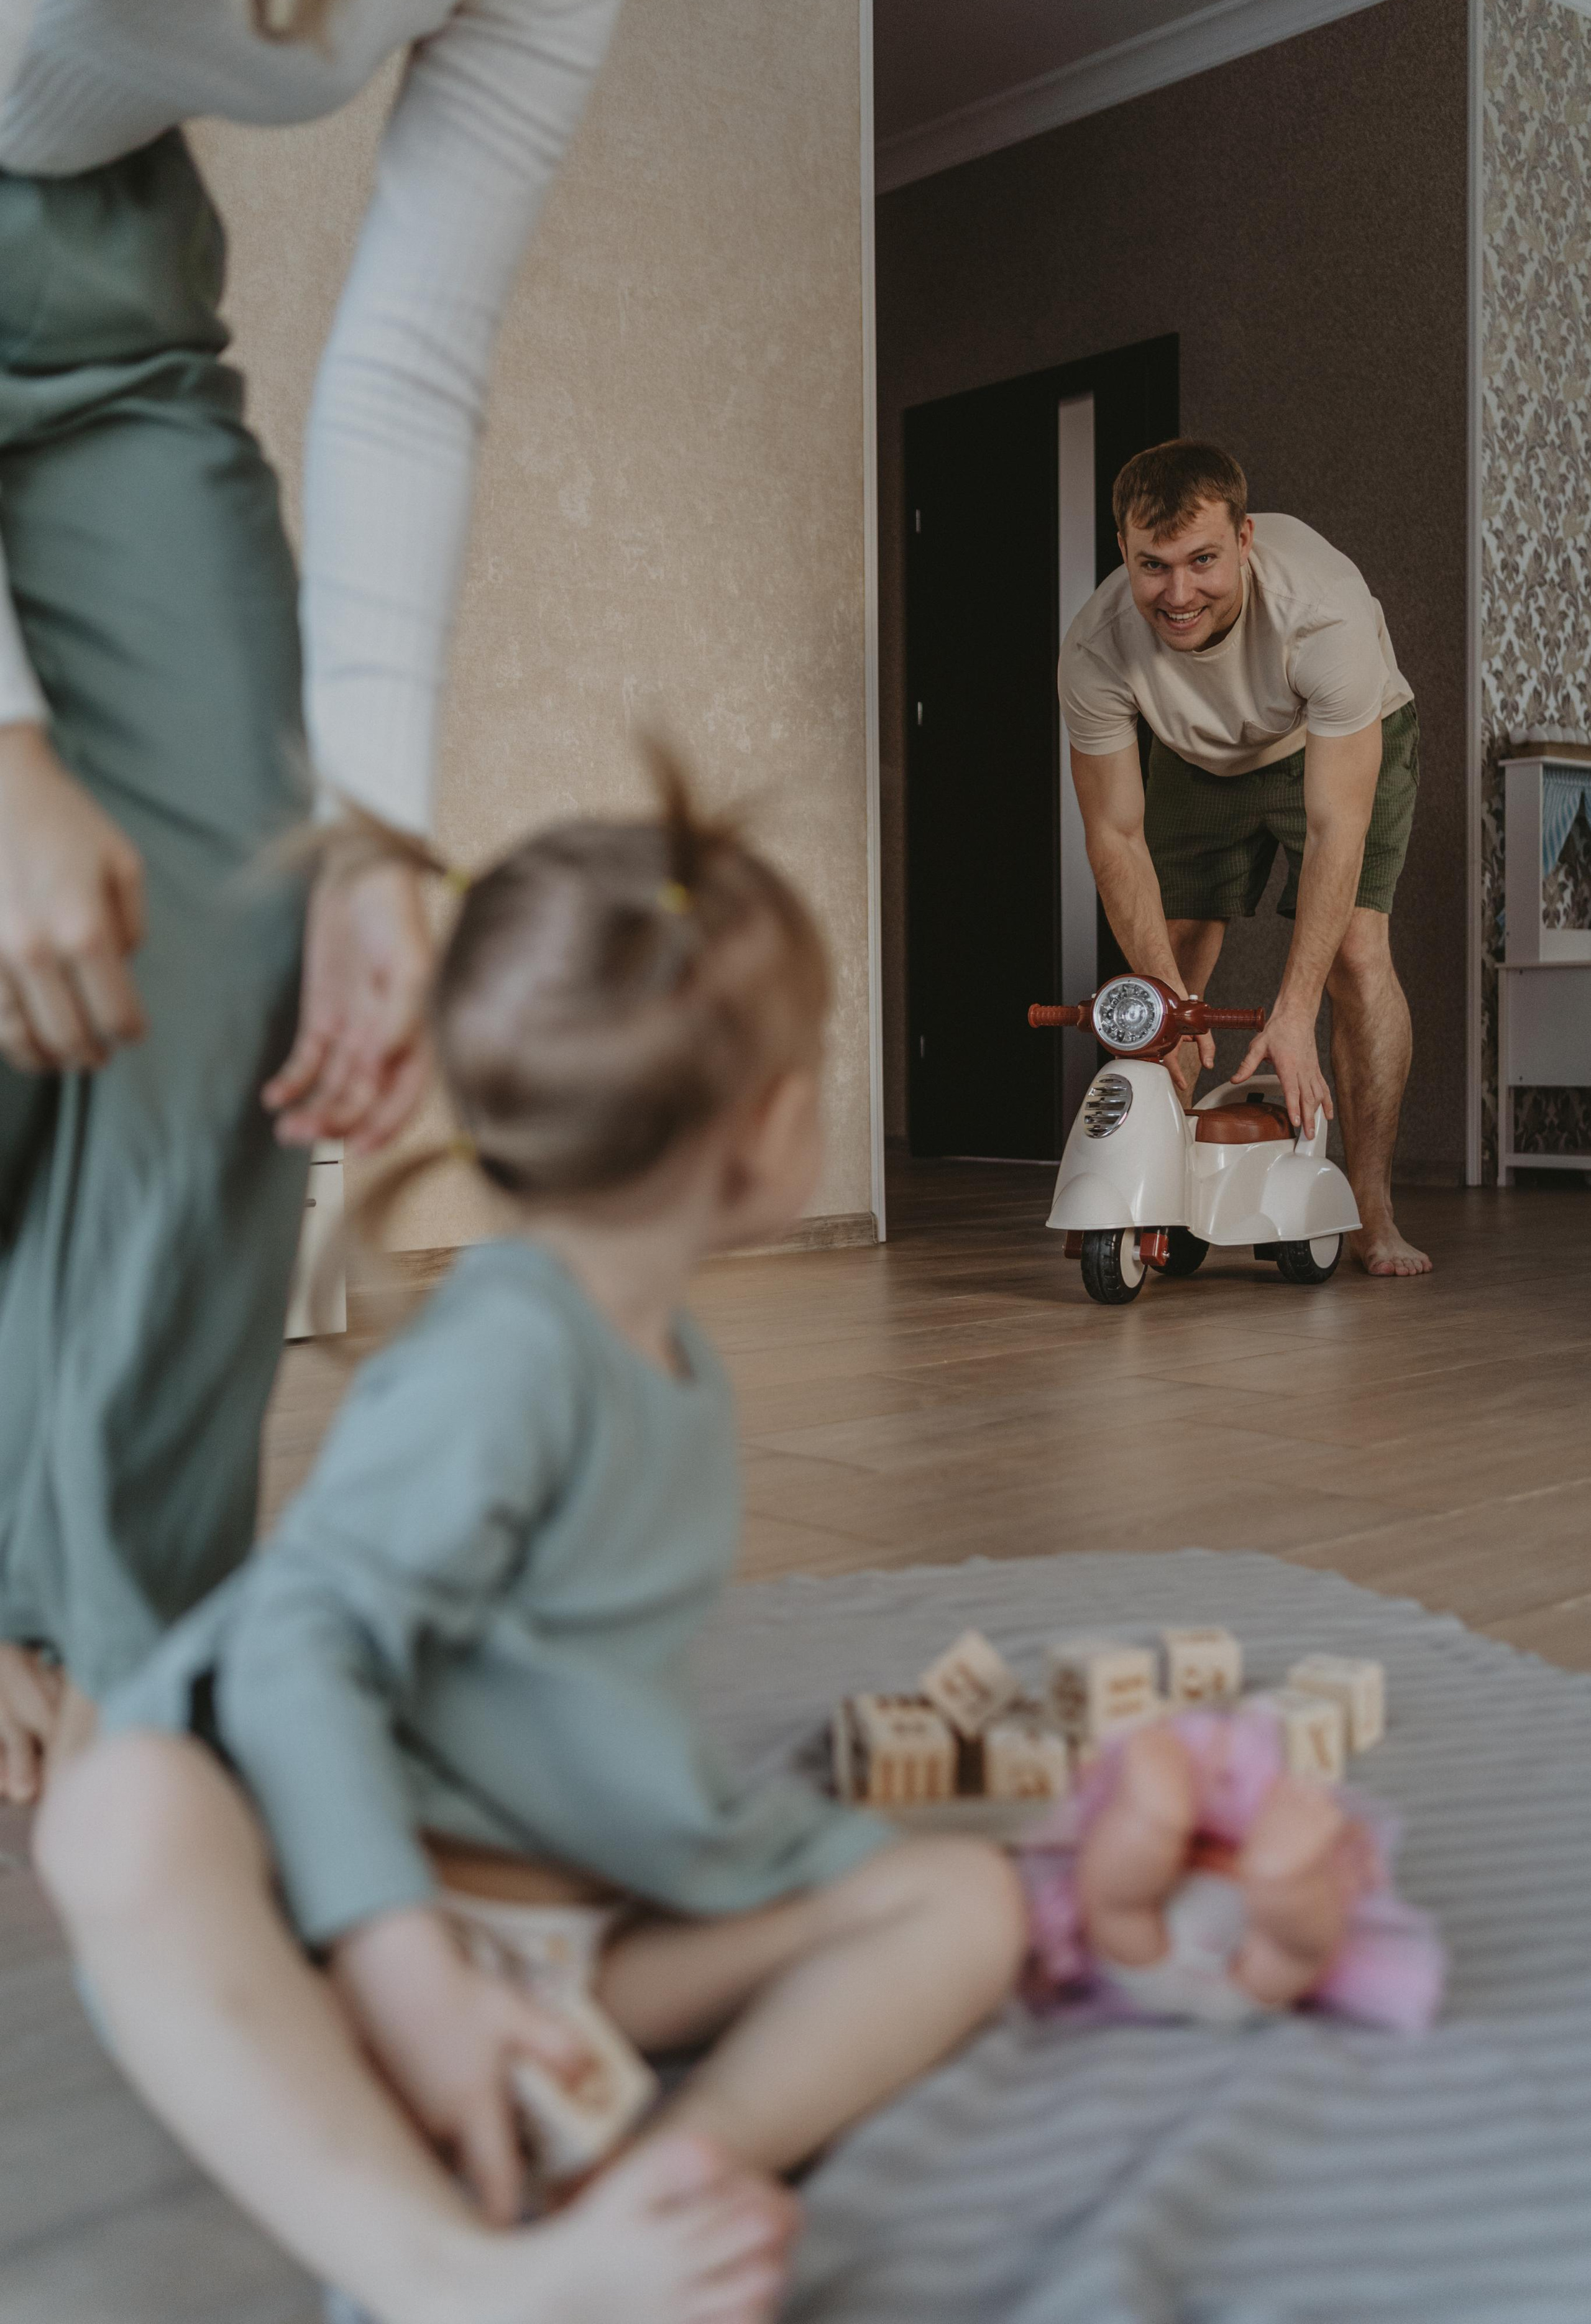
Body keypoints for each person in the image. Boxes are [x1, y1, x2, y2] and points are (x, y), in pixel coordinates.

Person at [37, 760, 1028, 2323]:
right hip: (352, 1926)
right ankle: (442, 2275)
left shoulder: (669, 1360)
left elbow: (593, 1709)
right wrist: (400, 1961)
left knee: (965, 1907)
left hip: (568, 1938)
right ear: (761, 1124)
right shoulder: (508, 1354)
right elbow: (301, 1644)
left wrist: (787, 1869)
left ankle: (654, 2183)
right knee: (117, 1818)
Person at [0, 0, 636, 1798]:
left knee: (230, 954)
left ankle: (110, 1626)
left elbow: (411, 362)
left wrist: (377, 852)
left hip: (109, 323)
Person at [1060, 439, 1430, 1278]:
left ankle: (1372, 1210)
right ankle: (1162, 1195)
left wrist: (1293, 1012)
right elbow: (1114, 837)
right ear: (1123, 552)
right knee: (1174, 969)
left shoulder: (1322, 612)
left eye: (1203, 561)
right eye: (1153, 566)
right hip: (1197, 757)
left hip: (1330, 742)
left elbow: (1339, 827)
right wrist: (1172, 1003)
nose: (1179, 593)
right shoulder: (1094, 648)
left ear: (1246, 540)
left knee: (1355, 954)